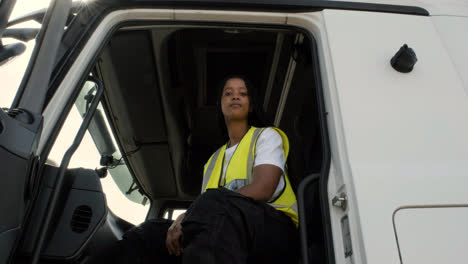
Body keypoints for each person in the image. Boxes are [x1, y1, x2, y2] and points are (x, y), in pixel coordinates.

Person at [92, 75, 299, 264]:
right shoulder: (212, 161)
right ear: (220, 105)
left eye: (242, 94)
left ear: (251, 105)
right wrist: (183, 221)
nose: (235, 97)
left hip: (275, 231)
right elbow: (204, 215)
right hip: (225, 226)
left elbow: (264, 187)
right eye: (228, 93)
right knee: (152, 233)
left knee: (213, 205)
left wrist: (192, 214)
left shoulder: (266, 136)